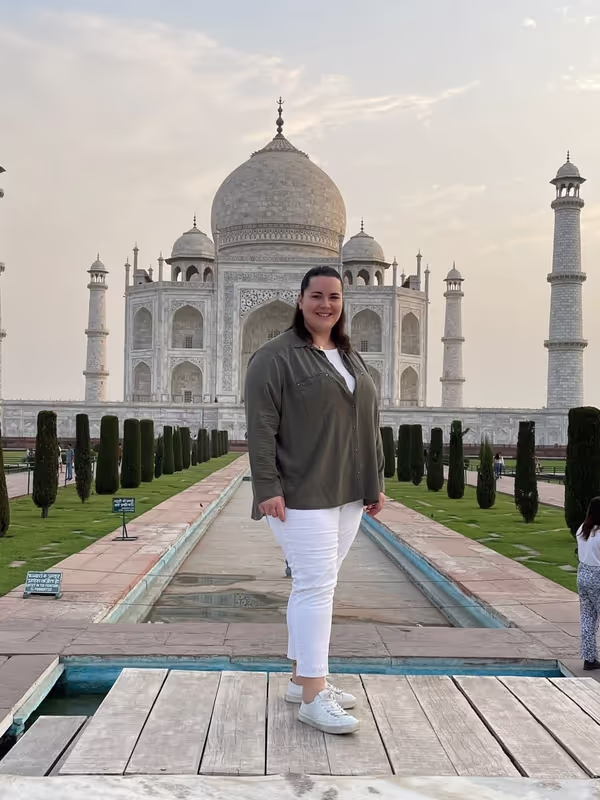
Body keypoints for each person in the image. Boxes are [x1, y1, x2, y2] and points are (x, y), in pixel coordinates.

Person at [245, 265, 385, 736]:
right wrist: (267, 487)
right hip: (301, 491)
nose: (326, 304)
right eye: (317, 295)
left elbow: (367, 420)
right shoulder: (275, 357)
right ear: (300, 299)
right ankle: (313, 696)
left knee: (315, 585)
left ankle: (300, 679)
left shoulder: (348, 356)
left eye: (335, 297)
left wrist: (375, 480)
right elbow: (261, 426)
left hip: (347, 492)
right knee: (315, 587)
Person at [577, 497, 600, 670]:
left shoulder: (582, 530)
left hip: (583, 574)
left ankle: (589, 659)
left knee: (587, 618)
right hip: (597, 576)